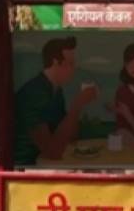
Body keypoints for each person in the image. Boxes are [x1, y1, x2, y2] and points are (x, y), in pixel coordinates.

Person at [13, 36, 99, 165]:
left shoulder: (56, 91)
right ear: (55, 63)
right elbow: (51, 152)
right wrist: (77, 105)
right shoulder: (34, 93)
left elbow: (70, 138)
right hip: (25, 168)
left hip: (44, 165)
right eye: (69, 64)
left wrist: (80, 105)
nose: (73, 69)